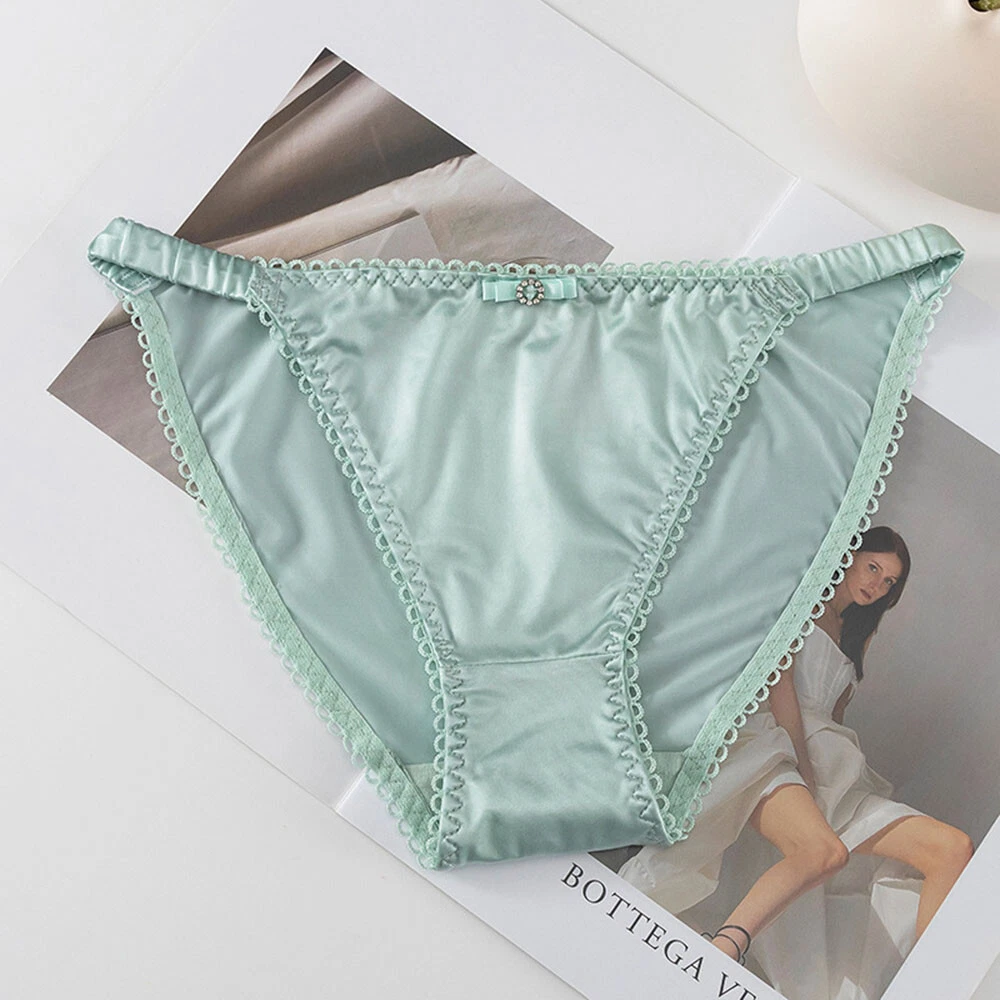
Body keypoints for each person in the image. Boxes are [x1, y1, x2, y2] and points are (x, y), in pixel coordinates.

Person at [618, 526, 975, 999]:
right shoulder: (803, 595)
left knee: (952, 848)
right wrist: (803, 768)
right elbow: (778, 685)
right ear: (850, 555)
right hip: (776, 744)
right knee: (822, 851)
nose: (877, 585)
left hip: (835, 767)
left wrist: (830, 774)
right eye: (873, 568)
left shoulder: (858, 635)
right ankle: (725, 945)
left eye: (889, 581)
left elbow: (835, 718)